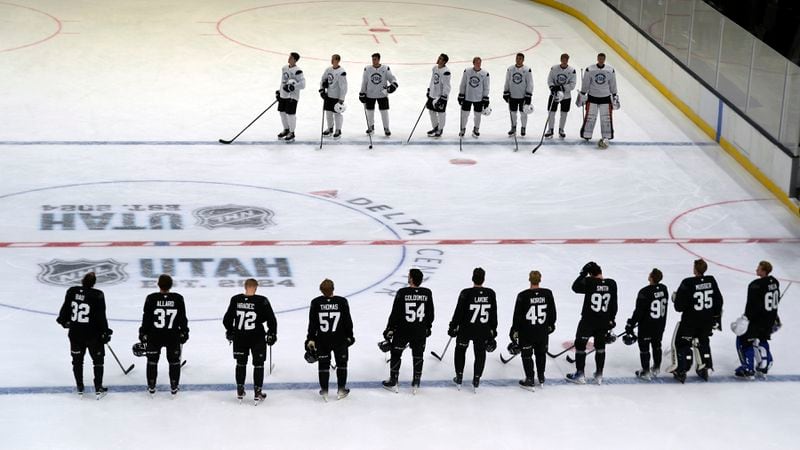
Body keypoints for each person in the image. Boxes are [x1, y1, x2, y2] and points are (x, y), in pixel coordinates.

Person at [56, 272, 112, 399]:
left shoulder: (72, 291)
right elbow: (101, 317)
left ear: (82, 281)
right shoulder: (97, 294)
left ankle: (80, 387)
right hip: (93, 335)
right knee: (98, 361)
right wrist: (105, 332)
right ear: (94, 283)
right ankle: (98, 388)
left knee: (77, 361)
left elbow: (65, 310)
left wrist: (64, 321)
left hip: (75, 333)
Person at [223, 278, 277, 404]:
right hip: (257, 337)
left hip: (240, 337)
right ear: (256, 287)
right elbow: (271, 319)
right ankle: (257, 392)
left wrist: (230, 331)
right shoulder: (262, 300)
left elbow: (227, 320)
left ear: (245, 286)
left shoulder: (236, 299)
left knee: (241, 363)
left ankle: (240, 390)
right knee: (258, 364)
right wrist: (272, 333)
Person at [382, 269, 434, 394]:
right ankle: (416, 381)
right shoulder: (427, 293)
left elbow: (395, 313)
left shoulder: (402, 292)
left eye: (409, 276)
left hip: (402, 331)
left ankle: (393, 380)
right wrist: (427, 327)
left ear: (411, 279)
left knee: (396, 354)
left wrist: (389, 329)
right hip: (419, 331)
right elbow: (430, 314)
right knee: (418, 355)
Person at [670, 259, 723, 383]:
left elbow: (679, 307)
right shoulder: (711, 280)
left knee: (683, 343)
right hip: (707, 321)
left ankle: (682, 369)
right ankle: (705, 366)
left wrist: (676, 298)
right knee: (703, 341)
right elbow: (719, 301)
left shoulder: (687, 282)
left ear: (695, 269)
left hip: (690, 321)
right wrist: (715, 317)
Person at [566, 261, 618, 385]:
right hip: (603, 322)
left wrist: (582, 274)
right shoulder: (611, 284)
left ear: (590, 274)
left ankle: (580, 374)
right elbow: (614, 304)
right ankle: (599, 375)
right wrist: (612, 320)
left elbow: (575, 287)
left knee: (580, 345)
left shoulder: (590, 282)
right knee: (600, 347)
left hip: (588, 321)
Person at [138, 274, 189, 397]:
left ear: (158, 284)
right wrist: (185, 332)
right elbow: (182, 318)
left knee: (152, 361)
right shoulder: (178, 298)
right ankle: (174, 387)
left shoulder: (151, 298)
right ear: (171, 285)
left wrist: (142, 333)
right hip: (172, 336)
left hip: (154, 336)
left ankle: (151, 387)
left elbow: (147, 318)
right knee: (174, 362)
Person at [448, 267, 497, 391]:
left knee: (460, 350)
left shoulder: (466, 293)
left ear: (472, 278)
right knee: (480, 353)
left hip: (466, 329)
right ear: (483, 279)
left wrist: (453, 327)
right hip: (482, 330)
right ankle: (476, 379)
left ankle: (459, 376)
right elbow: (493, 314)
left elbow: (458, 312)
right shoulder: (490, 293)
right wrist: (493, 331)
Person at [306, 279, 354, 401]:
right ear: (333, 288)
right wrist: (350, 336)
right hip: (340, 339)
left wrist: (310, 339)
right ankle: (341, 390)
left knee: (323, 365)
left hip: (322, 340)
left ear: (321, 290)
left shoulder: (316, 302)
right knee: (342, 364)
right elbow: (347, 321)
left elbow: (312, 324)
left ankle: (325, 390)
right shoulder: (342, 302)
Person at [509, 270, 556, 390]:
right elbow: (552, 313)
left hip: (527, 333)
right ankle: (541, 377)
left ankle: (530, 379)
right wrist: (550, 325)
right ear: (540, 279)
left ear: (529, 279)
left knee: (527, 356)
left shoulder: (523, 295)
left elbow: (517, 316)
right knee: (541, 354)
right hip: (542, 331)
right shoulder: (547, 293)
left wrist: (514, 331)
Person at [734, 261, 780, 379]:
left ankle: (748, 367)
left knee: (744, 340)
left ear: (764, 271)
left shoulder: (755, 285)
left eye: (758, 269)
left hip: (758, 320)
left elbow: (752, 305)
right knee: (763, 339)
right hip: (771, 318)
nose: (756, 270)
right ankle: (766, 363)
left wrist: (746, 318)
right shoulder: (775, 281)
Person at [624, 268, 669, 380]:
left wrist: (630, 324)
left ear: (652, 278)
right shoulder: (664, 289)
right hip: (660, 324)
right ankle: (657, 368)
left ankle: (646, 371)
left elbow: (639, 311)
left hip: (647, 326)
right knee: (657, 345)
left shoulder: (644, 291)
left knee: (644, 348)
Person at [576, 52, 619, 148]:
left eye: (602, 58)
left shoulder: (610, 70)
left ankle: (606, 135)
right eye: (599, 58)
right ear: (597, 58)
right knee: (590, 117)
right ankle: (587, 134)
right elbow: (586, 83)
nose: (601, 60)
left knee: (606, 118)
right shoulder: (590, 69)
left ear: (604, 59)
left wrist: (614, 94)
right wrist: (583, 93)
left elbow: (613, 84)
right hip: (592, 97)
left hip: (605, 98)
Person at [359, 53, 398, 136]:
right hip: (370, 94)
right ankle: (371, 127)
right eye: (373, 59)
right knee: (370, 112)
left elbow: (392, 79)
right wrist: (362, 93)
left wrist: (394, 85)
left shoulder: (385, 68)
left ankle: (386, 128)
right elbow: (364, 82)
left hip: (382, 94)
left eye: (375, 59)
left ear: (379, 59)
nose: (374, 61)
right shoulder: (367, 69)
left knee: (384, 112)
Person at [545, 53, 577, 138]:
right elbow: (550, 79)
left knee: (564, 113)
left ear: (567, 60)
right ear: (560, 59)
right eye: (563, 59)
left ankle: (561, 129)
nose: (564, 60)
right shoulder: (554, 68)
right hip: (554, 95)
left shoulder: (572, 70)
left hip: (566, 96)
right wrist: (552, 87)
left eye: (565, 59)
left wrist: (561, 87)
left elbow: (572, 84)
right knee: (551, 112)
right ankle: (550, 129)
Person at [276, 52, 305, 142]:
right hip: (283, 95)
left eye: (291, 57)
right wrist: (279, 91)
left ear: (295, 60)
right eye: (289, 57)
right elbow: (282, 81)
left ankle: (292, 132)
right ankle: (286, 129)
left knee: (290, 114)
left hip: (293, 96)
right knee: (282, 112)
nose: (289, 58)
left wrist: (293, 86)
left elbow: (303, 84)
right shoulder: (284, 68)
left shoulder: (298, 71)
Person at [458, 57, 490, 138]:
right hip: (467, 97)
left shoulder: (485, 74)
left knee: (478, 115)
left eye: (479, 62)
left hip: (478, 98)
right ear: (473, 63)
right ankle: (462, 129)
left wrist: (485, 97)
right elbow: (463, 84)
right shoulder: (467, 71)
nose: (478, 64)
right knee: (464, 114)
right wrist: (461, 94)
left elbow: (486, 87)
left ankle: (476, 129)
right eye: (477, 62)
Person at [503, 53, 533, 137]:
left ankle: (523, 127)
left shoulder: (527, 70)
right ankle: (513, 127)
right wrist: (506, 92)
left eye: (520, 58)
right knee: (513, 113)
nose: (518, 60)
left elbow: (530, 83)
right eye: (517, 58)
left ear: (523, 60)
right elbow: (507, 81)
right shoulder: (510, 69)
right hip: (512, 96)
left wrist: (529, 94)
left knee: (523, 113)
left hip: (523, 96)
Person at [319, 54, 347, 139]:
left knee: (337, 114)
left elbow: (344, 87)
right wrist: (322, 90)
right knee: (328, 113)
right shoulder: (328, 70)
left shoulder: (341, 72)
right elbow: (323, 79)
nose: (331, 60)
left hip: (337, 97)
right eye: (331, 59)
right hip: (329, 96)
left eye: (333, 59)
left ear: (337, 60)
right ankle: (330, 128)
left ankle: (338, 130)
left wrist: (341, 99)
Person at [425, 53, 451, 138]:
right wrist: (429, 90)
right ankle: (435, 127)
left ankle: (440, 129)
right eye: (438, 58)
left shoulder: (446, 72)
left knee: (441, 113)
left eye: (440, 59)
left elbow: (447, 86)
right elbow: (432, 80)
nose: (438, 59)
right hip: (432, 94)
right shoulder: (434, 68)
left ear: (444, 62)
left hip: (440, 96)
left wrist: (443, 97)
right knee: (431, 112)